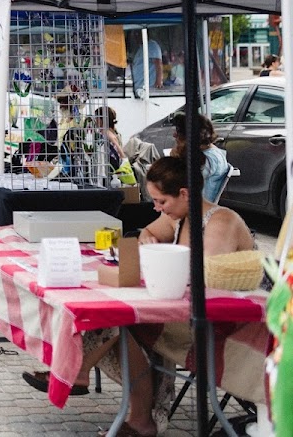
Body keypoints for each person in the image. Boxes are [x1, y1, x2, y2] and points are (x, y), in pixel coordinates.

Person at [22, 157, 255, 435]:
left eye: (161, 201)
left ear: (184, 194)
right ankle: (133, 412)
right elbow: (147, 232)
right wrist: (148, 240)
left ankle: (82, 373)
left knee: (114, 318)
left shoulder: (220, 222)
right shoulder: (180, 216)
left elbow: (207, 278)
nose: (156, 208)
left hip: (225, 327)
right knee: (111, 315)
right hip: (183, 311)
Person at [170, 112, 231, 203]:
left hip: (196, 208)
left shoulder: (209, 158)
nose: (174, 135)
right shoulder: (211, 153)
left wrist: (178, 155)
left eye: (179, 131)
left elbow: (178, 181)